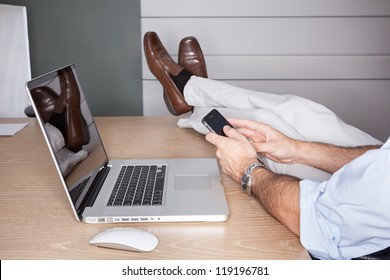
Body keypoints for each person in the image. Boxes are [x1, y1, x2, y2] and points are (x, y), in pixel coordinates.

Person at [143, 31, 390, 260]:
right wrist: (296, 150)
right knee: (299, 110)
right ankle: (193, 92)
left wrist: (247, 170)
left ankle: (188, 87)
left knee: (264, 122)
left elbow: (315, 217)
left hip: (347, 233)